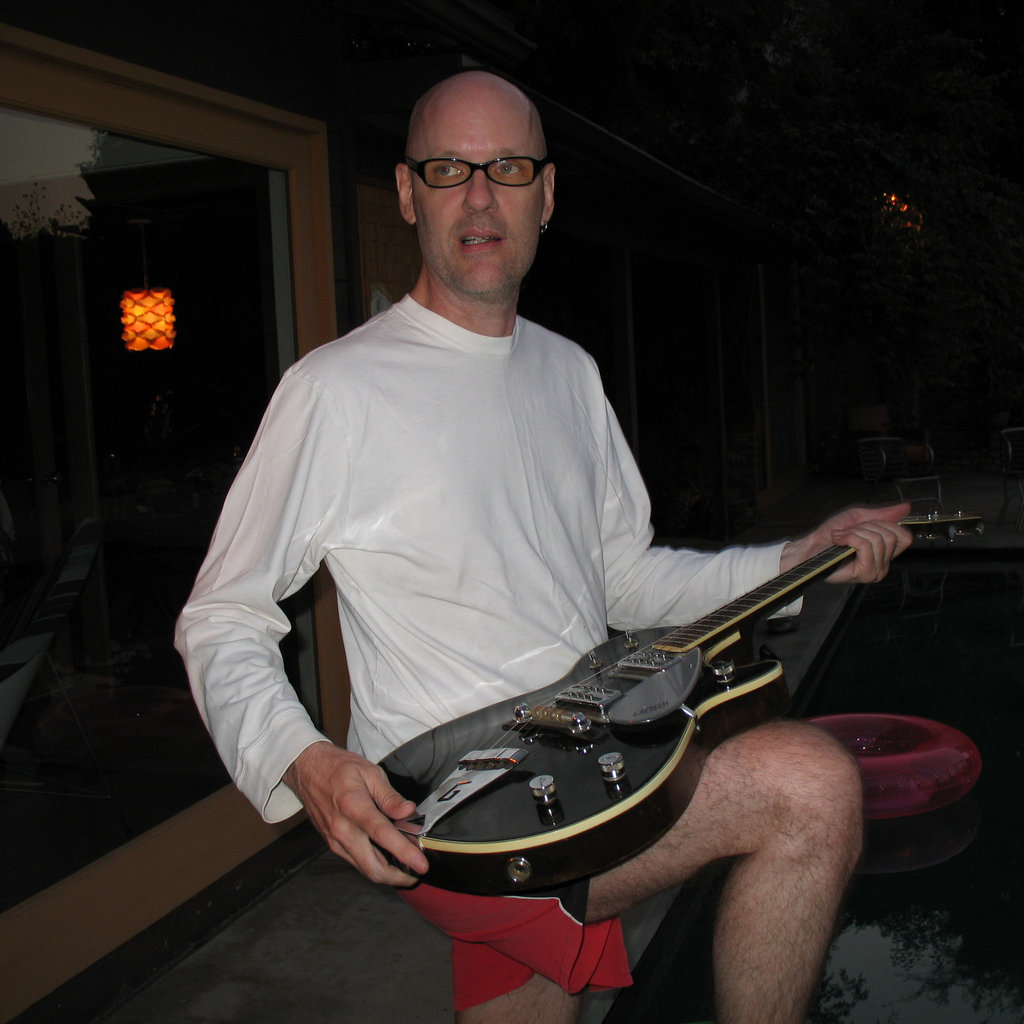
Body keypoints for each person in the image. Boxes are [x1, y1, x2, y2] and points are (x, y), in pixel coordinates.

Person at [175, 70, 911, 1024]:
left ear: (547, 194)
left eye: (509, 168)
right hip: (446, 799)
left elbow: (625, 577)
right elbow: (219, 616)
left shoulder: (569, 372)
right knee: (810, 787)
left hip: (575, 750)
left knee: (530, 1003)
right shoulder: (337, 391)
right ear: (408, 192)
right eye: (449, 169)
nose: (481, 197)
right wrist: (303, 760)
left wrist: (797, 558)